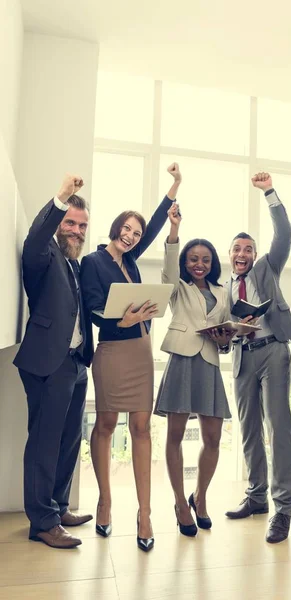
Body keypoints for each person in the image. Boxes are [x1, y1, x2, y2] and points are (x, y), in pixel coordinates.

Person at [80, 163, 182, 552]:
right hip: (111, 350)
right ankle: (105, 501)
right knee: (106, 424)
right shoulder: (93, 262)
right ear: (115, 227)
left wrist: (174, 188)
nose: (132, 235)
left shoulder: (132, 262)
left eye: (136, 233)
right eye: (127, 228)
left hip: (140, 352)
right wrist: (118, 318)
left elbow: (156, 226)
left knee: (142, 428)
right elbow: (90, 307)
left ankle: (145, 513)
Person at [13, 174, 94, 549]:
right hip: (48, 361)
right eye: (70, 223)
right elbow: (35, 240)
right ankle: (42, 522)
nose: (76, 231)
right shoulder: (44, 256)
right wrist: (60, 198)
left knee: (69, 440)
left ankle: (58, 507)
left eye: (81, 226)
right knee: (45, 442)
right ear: (59, 224)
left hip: (76, 362)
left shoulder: (75, 265)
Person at [225, 172, 291, 544]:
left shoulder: (267, 268)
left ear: (254, 255)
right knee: (249, 430)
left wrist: (268, 191)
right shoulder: (223, 288)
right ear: (230, 255)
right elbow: (219, 330)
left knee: (278, 427)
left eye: (247, 249)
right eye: (237, 249)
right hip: (241, 356)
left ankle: (282, 508)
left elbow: (283, 234)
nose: (242, 254)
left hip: (272, 352)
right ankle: (255, 498)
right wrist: (229, 329)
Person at [154, 203, 233, 537]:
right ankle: (179, 503)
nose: (199, 264)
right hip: (183, 361)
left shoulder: (222, 291)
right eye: (193, 259)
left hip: (210, 363)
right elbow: (169, 269)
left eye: (205, 260)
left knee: (212, 438)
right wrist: (173, 230)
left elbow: (226, 337)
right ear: (186, 262)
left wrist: (226, 337)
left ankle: (200, 496)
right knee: (174, 437)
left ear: (212, 263)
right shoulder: (178, 287)